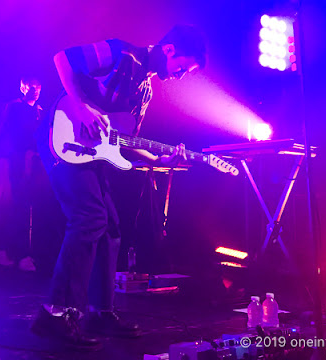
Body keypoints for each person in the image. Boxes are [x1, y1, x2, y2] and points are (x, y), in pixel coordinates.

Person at [31, 24, 208, 350]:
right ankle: (54, 314)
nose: (181, 75)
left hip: (92, 154)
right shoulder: (120, 52)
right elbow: (62, 60)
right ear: (169, 50)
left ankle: (101, 312)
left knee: (111, 226)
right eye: (183, 66)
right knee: (89, 218)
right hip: (62, 135)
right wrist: (82, 108)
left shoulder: (144, 92)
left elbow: (121, 142)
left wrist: (164, 154)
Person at [0, 77, 43, 272]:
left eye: (38, 87)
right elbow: (7, 134)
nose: (35, 90)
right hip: (15, 161)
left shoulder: (39, 111)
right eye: (31, 87)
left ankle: (22, 254)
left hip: (31, 162)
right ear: (22, 87)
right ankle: (4, 249)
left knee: (26, 207)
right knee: (12, 204)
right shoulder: (14, 107)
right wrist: (6, 159)